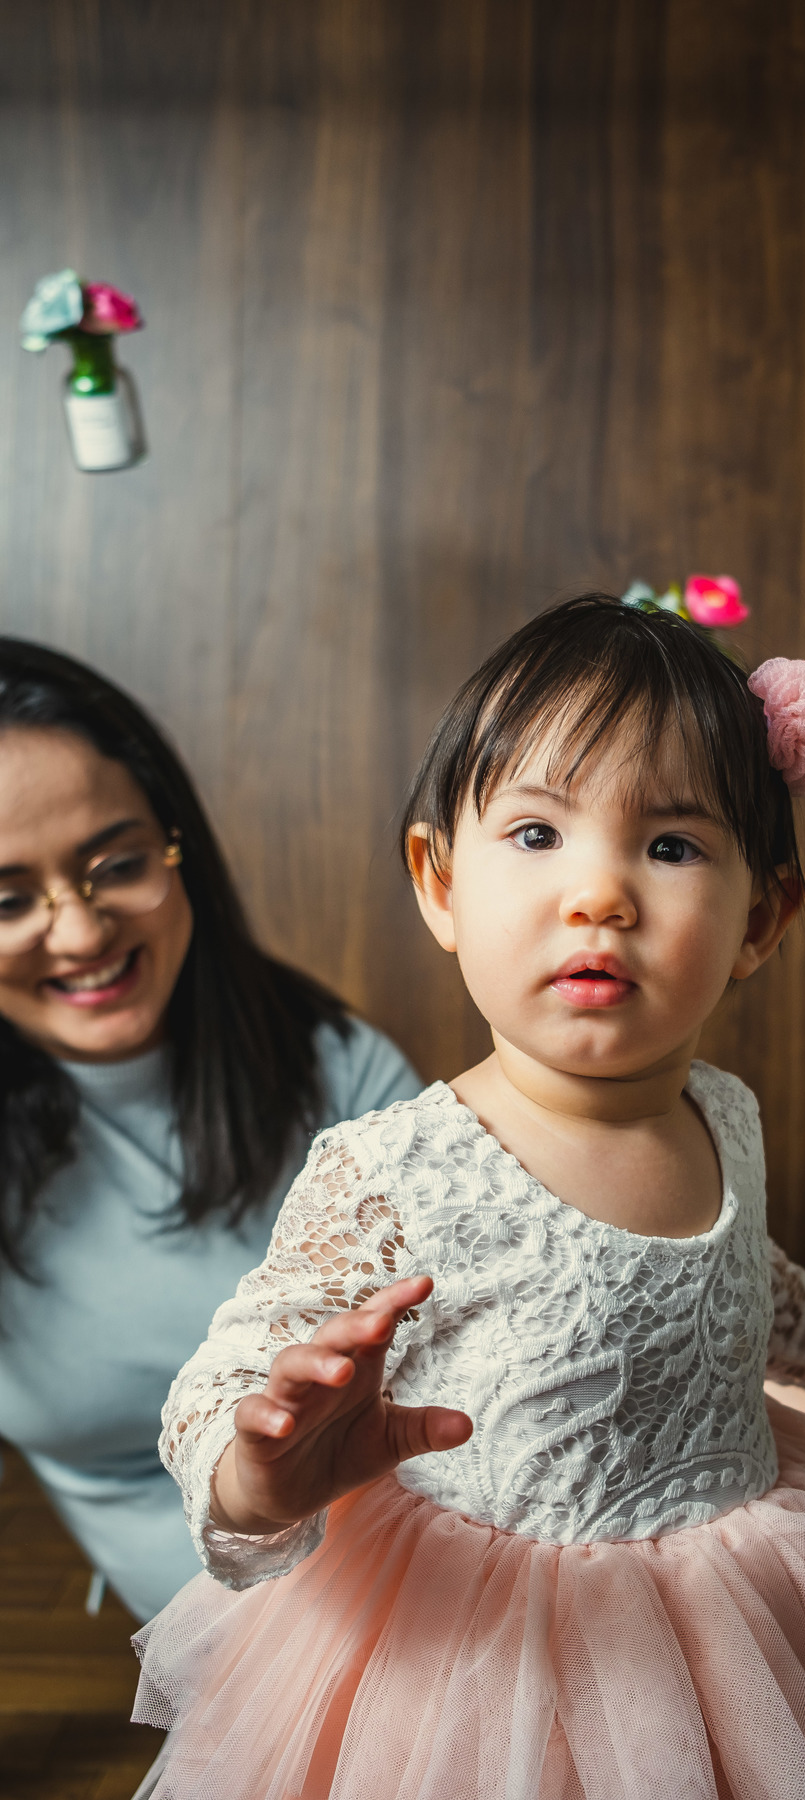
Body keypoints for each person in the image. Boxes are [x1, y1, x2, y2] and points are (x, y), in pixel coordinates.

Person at [132, 596, 805, 1797]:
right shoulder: (397, 1167)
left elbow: (747, 1292)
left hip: (736, 1609)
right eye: (539, 835)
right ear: (439, 884)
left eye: (670, 846)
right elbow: (232, 1366)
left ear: (760, 919)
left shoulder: (725, 1113)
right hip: (488, 1648)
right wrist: (257, 1466)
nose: (599, 893)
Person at [0, 640, 423, 1623]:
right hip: (234, 1639)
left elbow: (518, 1307)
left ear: (176, 847)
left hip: (445, 1541)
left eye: (117, 864)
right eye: (8, 898)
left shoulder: (331, 1062)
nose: (81, 930)